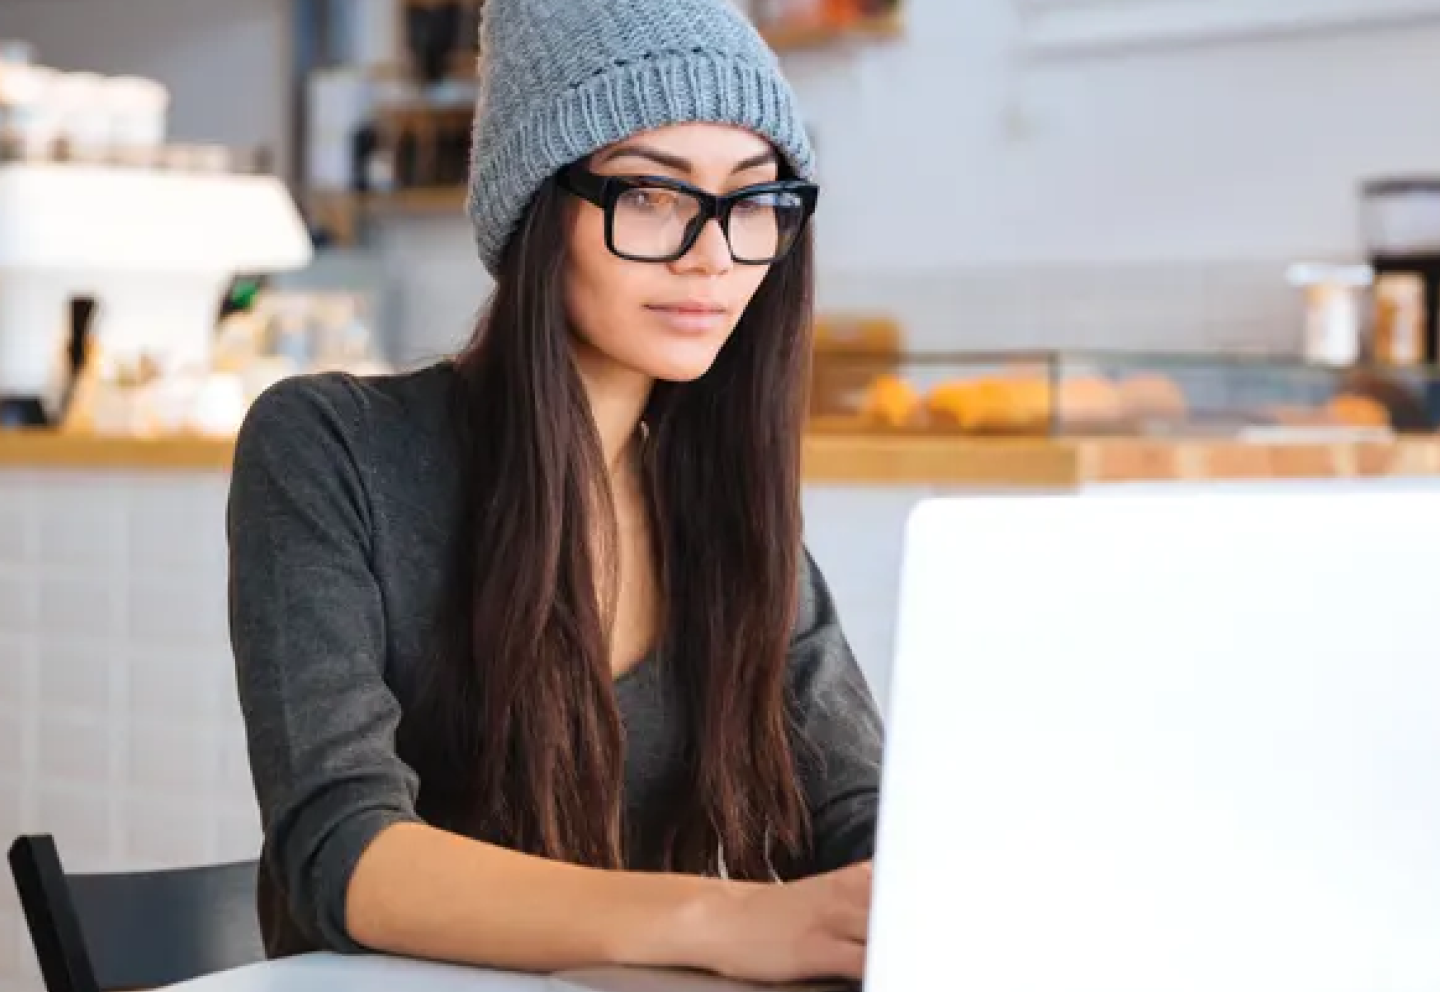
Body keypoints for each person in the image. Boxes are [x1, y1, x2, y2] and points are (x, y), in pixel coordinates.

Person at [226, 0, 883, 985]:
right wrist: (722, 917)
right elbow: (344, 849)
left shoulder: (722, 505)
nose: (714, 253)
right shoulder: (328, 447)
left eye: (754, 200)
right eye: (655, 194)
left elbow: (857, 814)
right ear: (539, 207)